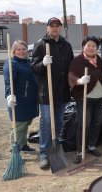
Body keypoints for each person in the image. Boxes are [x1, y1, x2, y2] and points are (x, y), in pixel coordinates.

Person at [31, 17, 74, 169]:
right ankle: (43, 153)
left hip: (62, 92)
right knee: (46, 122)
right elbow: (33, 67)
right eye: (52, 26)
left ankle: (54, 149)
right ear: (47, 28)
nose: (54, 28)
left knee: (58, 122)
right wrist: (42, 64)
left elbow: (71, 68)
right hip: (46, 93)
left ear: (60, 28)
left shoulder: (66, 45)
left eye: (57, 26)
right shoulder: (40, 45)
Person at [68, 36, 102, 164]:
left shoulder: (99, 60)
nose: (91, 48)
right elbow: (71, 75)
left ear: (97, 48)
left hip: (100, 97)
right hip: (85, 98)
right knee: (84, 123)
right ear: (83, 47)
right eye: (88, 45)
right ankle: (80, 151)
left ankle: (91, 146)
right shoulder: (78, 61)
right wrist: (78, 81)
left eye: (94, 46)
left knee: (96, 122)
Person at [3, 40, 38, 153]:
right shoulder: (11, 64)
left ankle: (23, 145)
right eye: (19, 49)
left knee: (25, 124)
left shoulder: (27, 62)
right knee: (19, 126)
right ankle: (15, 149)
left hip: (29, 100)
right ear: (14, 51)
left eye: (24, 49)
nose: (22, 51)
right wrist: (9, 96)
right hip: (19, 101)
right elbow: (9, 82)